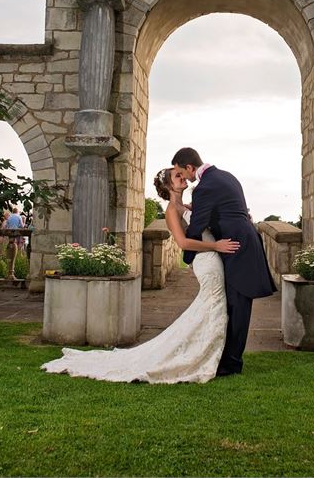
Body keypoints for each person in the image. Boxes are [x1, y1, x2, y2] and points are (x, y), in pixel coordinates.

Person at [40, 167, 240, 383]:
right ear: (168, 186)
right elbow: (182, 243)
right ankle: (201, 355)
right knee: (213, 302)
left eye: (181, 174)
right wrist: (215, 246)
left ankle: (208, 353)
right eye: (177, 176)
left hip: (211, 257)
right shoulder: (172, 210)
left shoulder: (186, 206)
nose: (183, 178)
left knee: (212, 304)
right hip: (206, 259)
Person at [172, 147, 276, 377]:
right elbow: (218, 212)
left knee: (238, 307)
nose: (184, 177)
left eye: (182, 171)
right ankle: (227, 359)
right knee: (234, 305)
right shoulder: (226, 176)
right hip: (243, 240)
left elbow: (198, 226)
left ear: (190, 167)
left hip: (237, 246)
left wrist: (189, 257)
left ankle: (231, 364)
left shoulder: (204, 188)